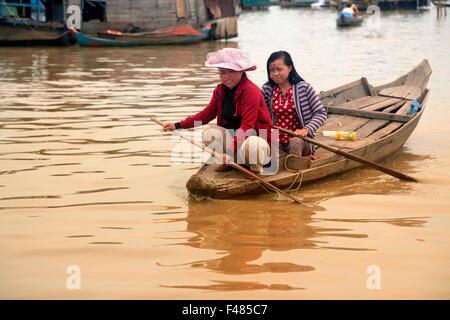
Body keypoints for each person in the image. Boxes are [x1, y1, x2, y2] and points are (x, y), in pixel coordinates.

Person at [163, 48, 273, 174]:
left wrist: (230, 152)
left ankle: (255, 169)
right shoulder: (220, 90)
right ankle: (229, 162)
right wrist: (177, 125)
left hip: (258, 145)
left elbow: (247, 127)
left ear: (242, 71)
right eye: (223, 72)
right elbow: (206, 115)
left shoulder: (251, 91)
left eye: (231, 71)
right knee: (209, 132)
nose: (227, 76)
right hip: (236, 146)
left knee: (252, 145)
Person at [261, 51, 327, 161]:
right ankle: (293, 160)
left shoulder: (304, 88)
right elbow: (259, 113)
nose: (275, 73)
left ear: (290, 67)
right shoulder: (267, 90)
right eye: (272, 70)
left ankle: (295, 163)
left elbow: (321, 113)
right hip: (277, 140)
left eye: (279, 69)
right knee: (263, 144)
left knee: (295, 142)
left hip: (300, 140)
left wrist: (306, 129)